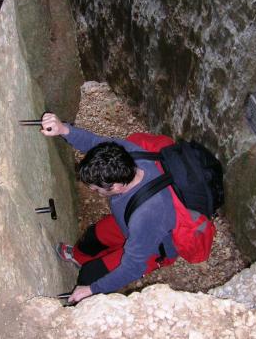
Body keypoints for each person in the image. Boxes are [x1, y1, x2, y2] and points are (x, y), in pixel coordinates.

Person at [41, 113, 178, 303]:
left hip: (153, 244)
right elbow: (96, 144)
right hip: (129, 219)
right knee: (91, 237)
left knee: (92, 273)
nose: (92, 190)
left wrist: (91, 289)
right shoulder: (128, 154)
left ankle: (83, 306)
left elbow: (133, 267)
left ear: (116, 187)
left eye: (96, 188)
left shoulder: (148, 215)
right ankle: (78, 257)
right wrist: (63, 129)